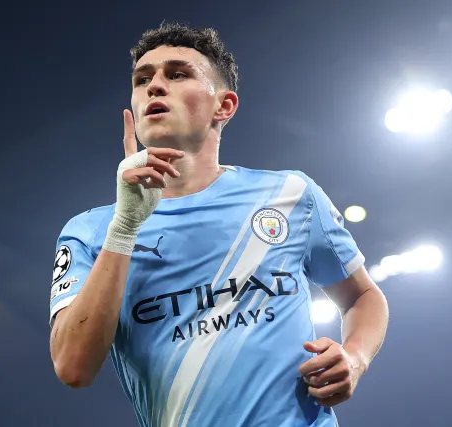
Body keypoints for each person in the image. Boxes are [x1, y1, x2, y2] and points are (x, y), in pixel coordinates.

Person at [49, 22, 389, 427]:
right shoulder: (90, 232)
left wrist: (354, 358)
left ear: (224, 106)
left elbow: (362, 296)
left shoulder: (291, 194)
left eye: (177, 74)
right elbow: (73, 367)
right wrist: (124, 227)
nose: (154, 87)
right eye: (142, 80)